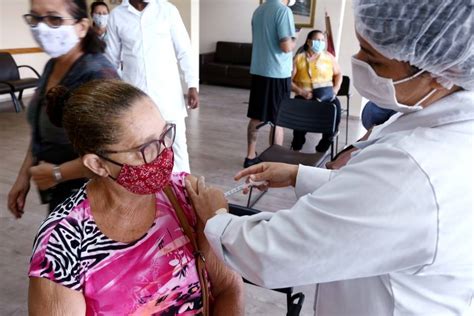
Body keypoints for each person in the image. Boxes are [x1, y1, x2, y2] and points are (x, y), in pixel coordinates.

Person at [185, 0, 474, 315]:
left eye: (374, 61)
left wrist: (216, 216)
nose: (357, 61)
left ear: (441, 72)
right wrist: (301, 175)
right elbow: (370, 197)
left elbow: (273, 255)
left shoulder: (415, 168)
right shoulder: (442, 127)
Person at [28, 79, 244, 315]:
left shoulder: (188, 196)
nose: (164, 153)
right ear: (98, 164)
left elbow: (228, 289)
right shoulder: (63, 242)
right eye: (145, 148)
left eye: (165, 134)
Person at [7, 0, 118, 216]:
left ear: (82, 27)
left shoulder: (97, 75)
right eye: (35, 18)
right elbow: (40, 129)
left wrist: (57, 174)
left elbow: (113, 154)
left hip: (91, 199)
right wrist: (24, 177)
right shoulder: (53, 65)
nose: (41, 27)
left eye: (54, 19)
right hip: (59, 193)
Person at [105, 0, 199, 173]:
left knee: (177, 145)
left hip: (168, 93)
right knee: (141, 149)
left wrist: (192, 84)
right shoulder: (117, 16)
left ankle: (184, 191)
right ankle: (153, 194)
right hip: (135, 97)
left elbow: (184, 50)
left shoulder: (167, 10)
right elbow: (111, 59)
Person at [244, 0, 296, 168]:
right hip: (277, 74)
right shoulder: (283, 11)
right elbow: (286, 46)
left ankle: (250, 156)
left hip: (259, 71)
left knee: (256, 117)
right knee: (277, 120)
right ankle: (275, 162)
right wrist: (296, 38)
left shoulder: (258, 11)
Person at [290, 30, 343, 152]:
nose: (320, 43)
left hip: (327, 98)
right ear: (309, 42)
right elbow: (288, 81)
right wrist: (302, 92)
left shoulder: (329, 57)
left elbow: (338, 74)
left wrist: (335, 89)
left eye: (322, 40)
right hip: (304, 98)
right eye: (317, 40)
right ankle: (297, 147)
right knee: (299, 128)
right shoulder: (298, 59)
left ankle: (322, 149)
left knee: (334, 120)